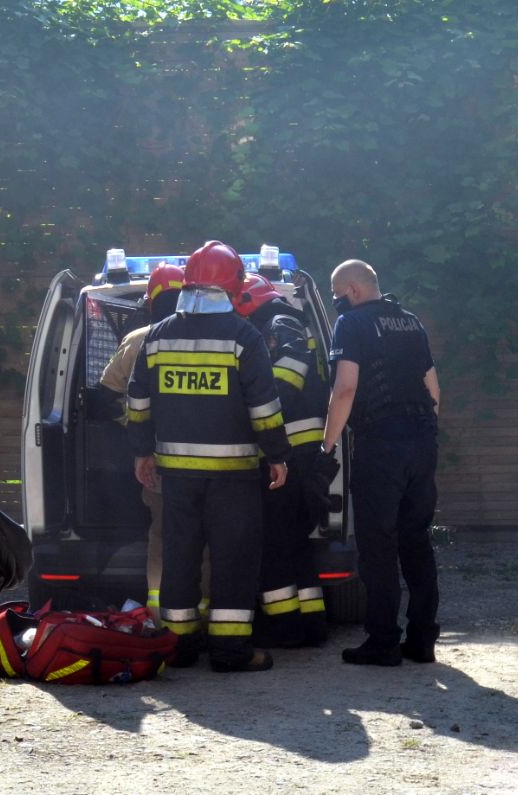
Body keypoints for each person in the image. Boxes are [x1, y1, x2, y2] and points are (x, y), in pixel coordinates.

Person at [127, 241, 290, 673]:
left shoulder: (158, 335)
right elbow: (264, 407)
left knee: (180, 556)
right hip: (233, 474)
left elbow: (137, 402)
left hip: (176, 475)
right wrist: (277, 454)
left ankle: (179, 647)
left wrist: (143, 451)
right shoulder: (244, 336)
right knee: (233, 558)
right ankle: (231, 652)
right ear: (235, 287)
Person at [323, 259, 441, 666]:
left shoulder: (350, 325)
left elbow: (345, 390)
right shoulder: (411, 322)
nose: (337, 301)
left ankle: (383, 641)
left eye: (338, 293)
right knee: (417, 542)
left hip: (381, 442)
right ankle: (423, 639)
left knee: (377, 546)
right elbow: (433, 389)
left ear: (352, 290)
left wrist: (327, 446)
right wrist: (424, 438)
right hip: (423, 440)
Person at [235, 273, 337, 648]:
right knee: (295, 543)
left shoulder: (280, 326)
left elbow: (285, 382)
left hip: (290, 454)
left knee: (275, 545)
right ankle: (312, 625)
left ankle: (285, 630)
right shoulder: (286, 321)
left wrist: (248, 412)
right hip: (302, 455)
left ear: (247, 302)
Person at [99, 264, 186, 620]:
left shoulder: (138, 339)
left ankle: (160, 615)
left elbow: (106, 396)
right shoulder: (213, 337)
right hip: (211, 461)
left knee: (162, 537)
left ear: (150, 302)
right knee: (205, 541)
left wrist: (136, 431)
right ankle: (206, 616)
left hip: (155, 461)